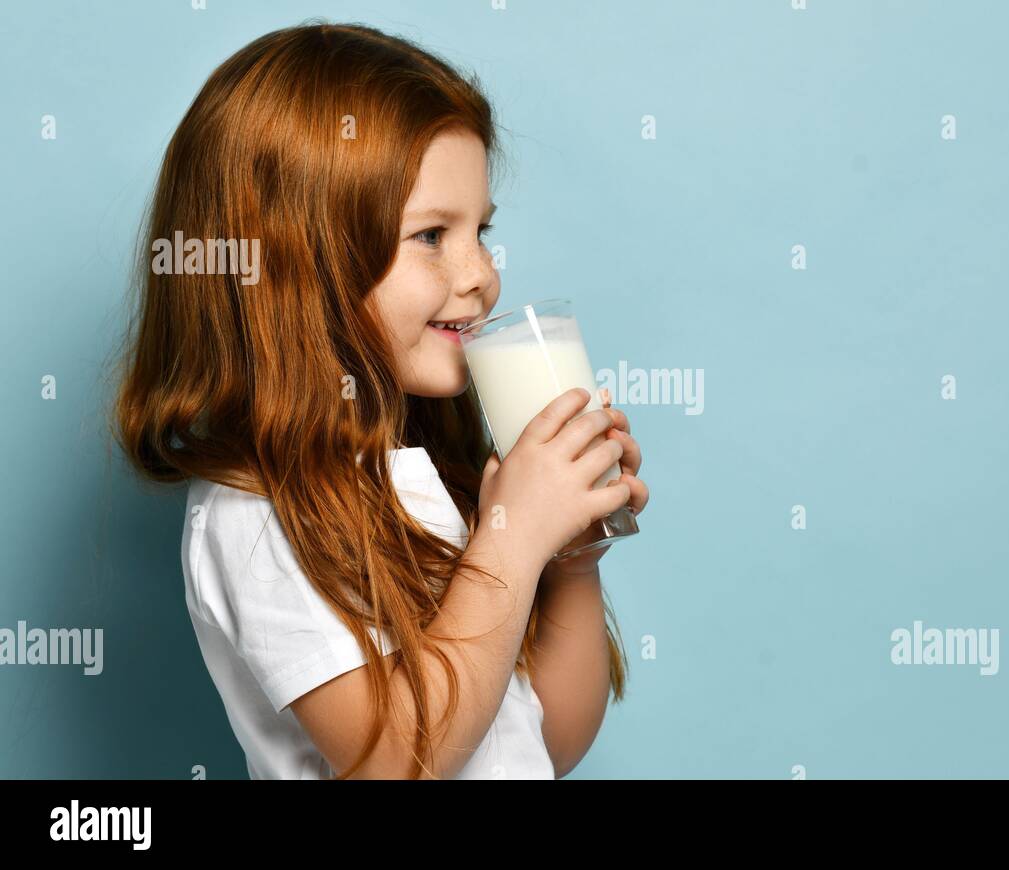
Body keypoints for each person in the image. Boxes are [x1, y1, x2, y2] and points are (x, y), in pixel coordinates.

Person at [112, 23, 650, 780]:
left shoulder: (421, 477)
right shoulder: (258, 514)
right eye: (432, 235)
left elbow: (542, 746)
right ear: (296, 264)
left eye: (481, 231)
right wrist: (513, 538)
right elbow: (399, 762)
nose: (483, 275)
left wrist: (568, 551)